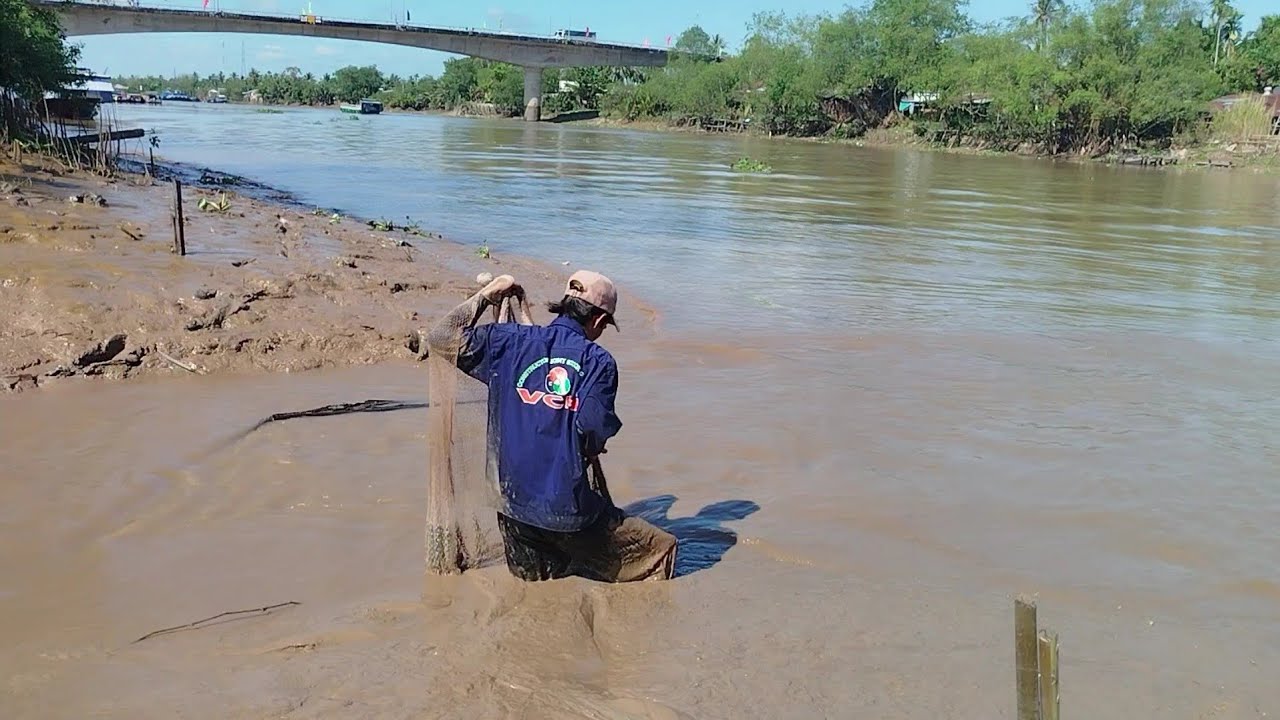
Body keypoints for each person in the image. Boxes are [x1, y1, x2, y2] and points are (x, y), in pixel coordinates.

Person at [427, 270, 678, 582]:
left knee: (537, 586)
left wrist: (484, 297)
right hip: (565, 510)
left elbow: (439, 338)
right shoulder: (599, 363)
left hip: (510, 505)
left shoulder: (508, 341)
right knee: (661, 550)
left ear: (564, 304)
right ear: (599, 321)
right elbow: (592, 430)